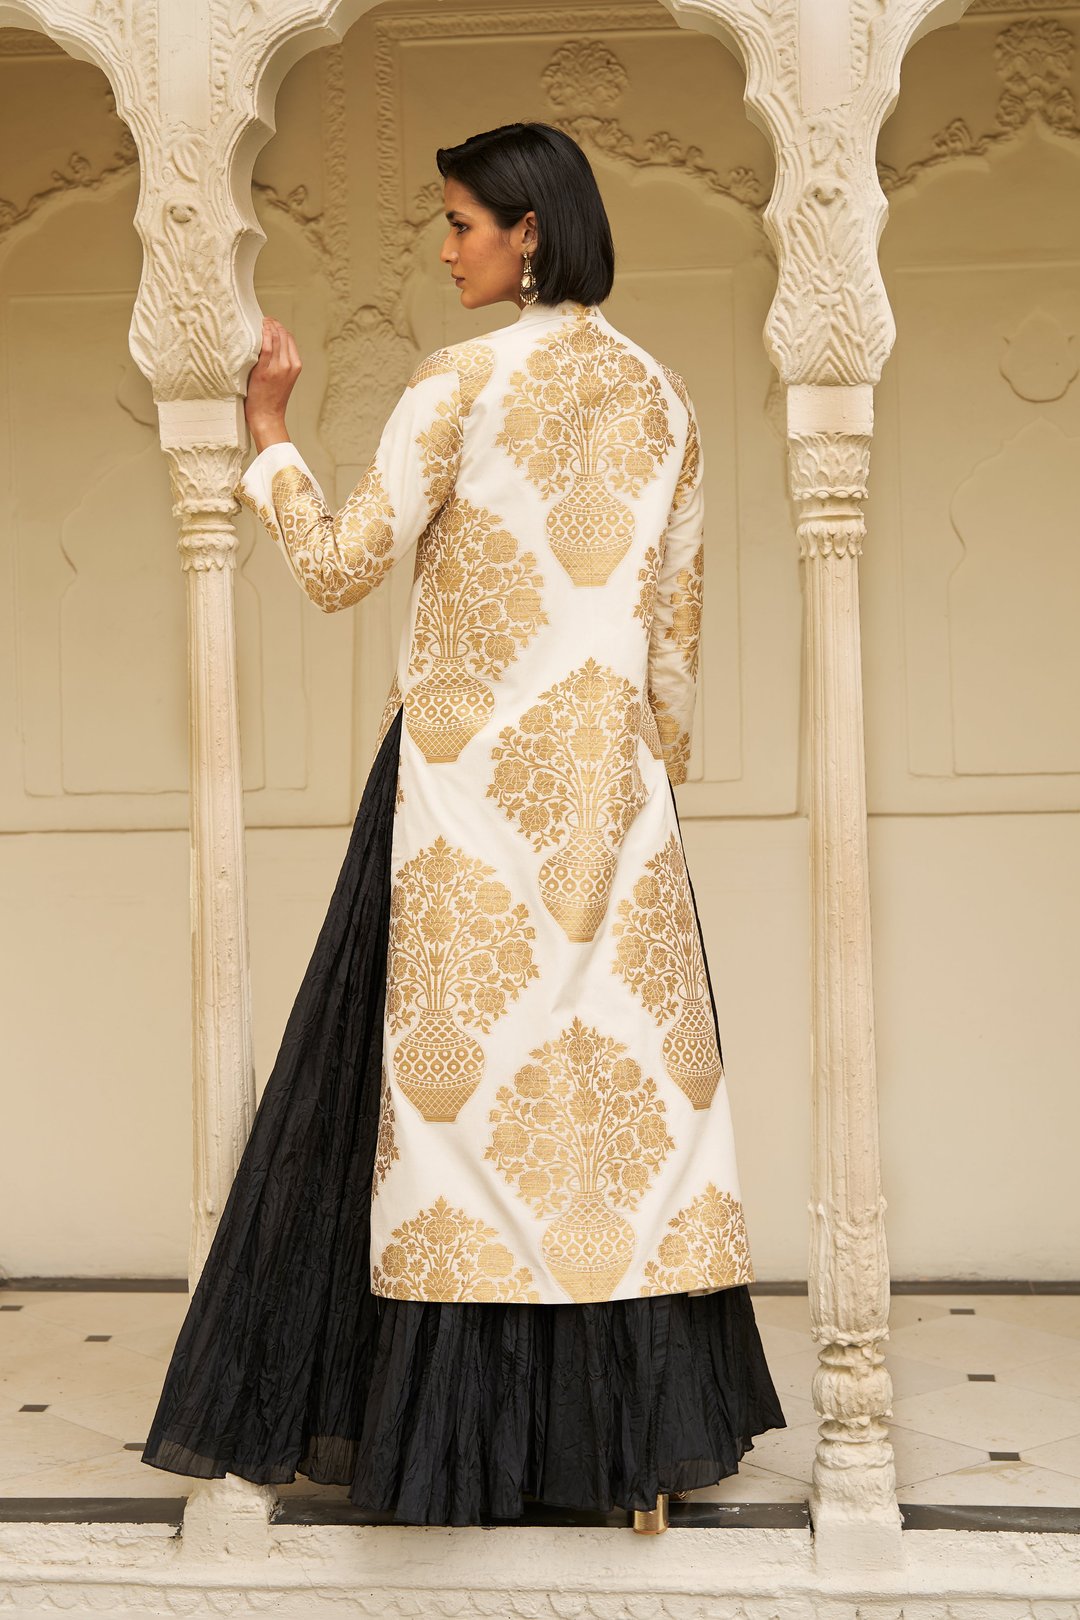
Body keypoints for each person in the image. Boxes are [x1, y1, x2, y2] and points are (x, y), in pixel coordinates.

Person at [141, 121, 785, 1532]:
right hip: (615, 807)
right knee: (611, 1116)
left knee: (457, 1118)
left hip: (460, 801)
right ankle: (635, 1459)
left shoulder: (457, 382)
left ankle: (467, 1450)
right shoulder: (667, 398)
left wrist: (270, 443)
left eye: (459, 225)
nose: (443, 251)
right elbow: (674, 637)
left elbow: (339, 569)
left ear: (528, 233)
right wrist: (641, 790)